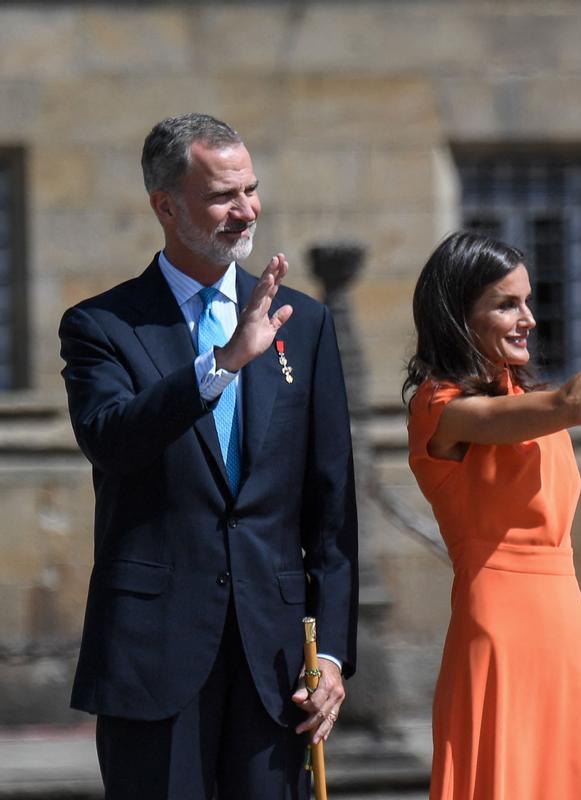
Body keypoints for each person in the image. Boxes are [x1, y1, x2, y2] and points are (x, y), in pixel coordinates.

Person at [59, 113, 358, 799]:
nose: (246, 210)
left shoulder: (302, 324)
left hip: (276, 662)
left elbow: (331, 509)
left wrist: (333, 654)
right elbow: (110, 437)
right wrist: (221, 364)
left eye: (250, 189)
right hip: (153, 657)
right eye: (224, 195)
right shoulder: (102, 326)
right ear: (166, 205)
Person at [404, 224, 581, 799]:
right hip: (499, 625)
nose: (528, 318)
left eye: (527, 301)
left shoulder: (517, 397)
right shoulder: (442, 409)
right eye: (507, 305)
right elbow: (578, 403)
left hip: (562, 620)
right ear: (460, 315)